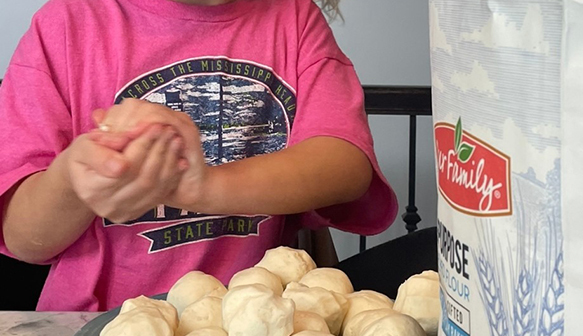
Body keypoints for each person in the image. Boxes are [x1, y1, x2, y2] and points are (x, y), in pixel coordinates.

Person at [0, 0, 398, 312]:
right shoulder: (65, 25)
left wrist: (202, 185)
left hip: (255, 329)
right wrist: (72, 182)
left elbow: (345, 164)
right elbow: (24, 238)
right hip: (92, 332)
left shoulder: (295, 19)